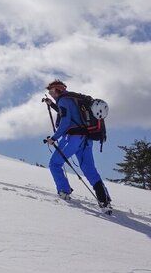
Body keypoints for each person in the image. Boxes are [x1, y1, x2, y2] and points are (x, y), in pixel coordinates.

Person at [43, 79, 112, 208]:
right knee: (89, 169)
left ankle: (64, 191)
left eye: (52, 91)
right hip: (86, 139)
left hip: (72, 138)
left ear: (58, 90)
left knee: (54, 164)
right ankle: (104, 198)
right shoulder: (72, 99)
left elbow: (65, 121)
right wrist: (52, 105)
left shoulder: (63, 101)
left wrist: (54, 138)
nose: (51, 94)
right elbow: (69, 113)